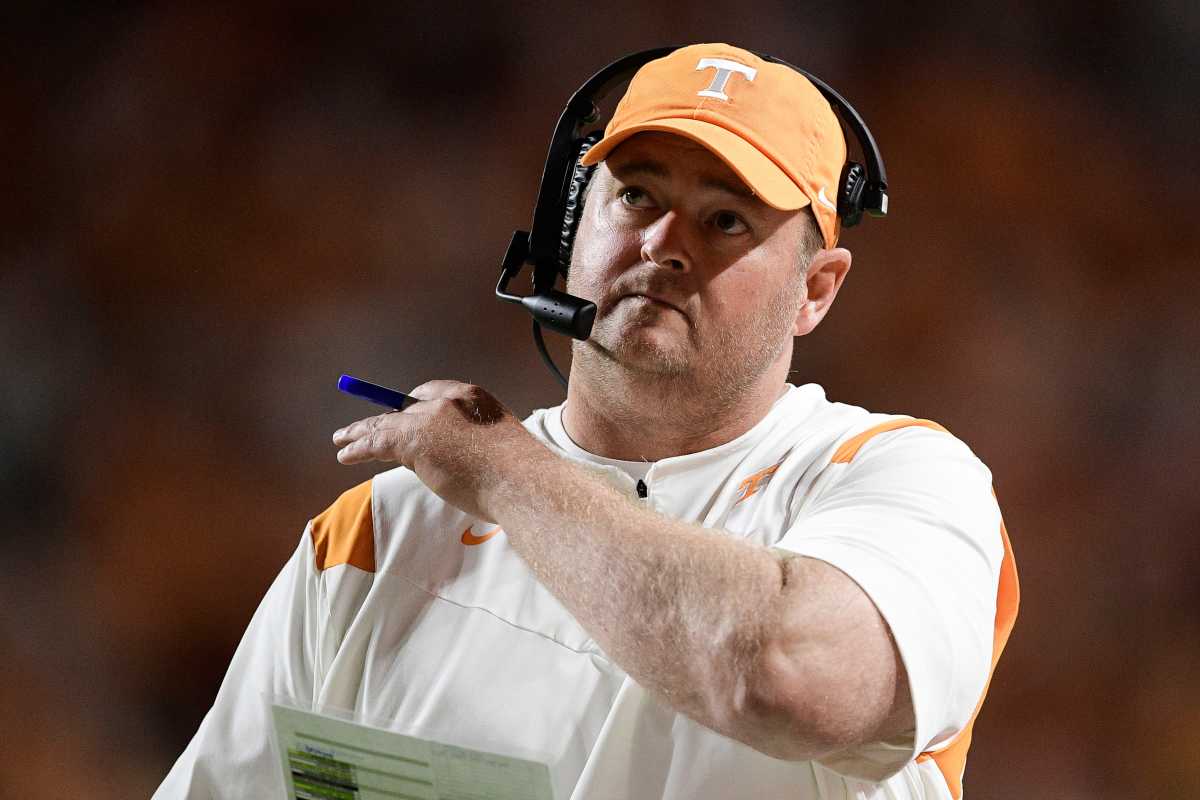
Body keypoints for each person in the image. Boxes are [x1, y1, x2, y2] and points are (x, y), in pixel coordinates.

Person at [155, 43, 1017, 800]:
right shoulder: (379, 532)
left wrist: (502, 470)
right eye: (636, 196)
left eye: (726, 219)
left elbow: (784, 674)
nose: (663, 242)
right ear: (569, 230)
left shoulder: (899, 477)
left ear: (816, 290)